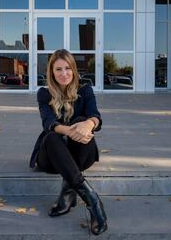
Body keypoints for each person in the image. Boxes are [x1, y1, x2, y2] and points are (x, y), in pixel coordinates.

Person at [29, 49, 108, 236]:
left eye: (67, 68)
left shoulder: (85, 90)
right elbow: (48, 122)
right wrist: (73, 131)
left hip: (81, 154)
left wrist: (89, 124)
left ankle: (68, 192)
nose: (63, 74)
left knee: (82, 119)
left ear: (73, 70)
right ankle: (92, 199)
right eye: (58, 69)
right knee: (51, 136)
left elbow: (95, 116)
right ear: (51, 72)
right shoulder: (44, 94)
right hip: (51, 158)